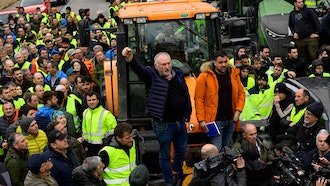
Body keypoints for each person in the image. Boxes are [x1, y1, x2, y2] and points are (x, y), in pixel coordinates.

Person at [122, 47, 191, 185]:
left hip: (180, 122)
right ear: (156, 66)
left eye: (168, 63)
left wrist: (188, 113)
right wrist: (130, 58)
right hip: (164, 124)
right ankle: (169, 181)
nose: (167, 67)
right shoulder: (152, 76)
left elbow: (186, 94)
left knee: (181, 151)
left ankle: (179, 177)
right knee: (164, 154)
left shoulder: (178, 74)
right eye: (163, 64)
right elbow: (140, 70)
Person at [195, 51, 245, 151]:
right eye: (220, 62)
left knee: (227, 149)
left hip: (231, 120)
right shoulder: (204, 77)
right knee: (216, 149)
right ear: (214, 63)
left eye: (225, 62)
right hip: (214, 121)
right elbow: (199, 99)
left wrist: (238, 111)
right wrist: (201, 120)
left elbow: (241, 94)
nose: (223, 65)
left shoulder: (234, 74)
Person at [82, 91, 117, 157]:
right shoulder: (85, 112)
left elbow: (114, 129)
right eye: (89, 100)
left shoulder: (106, 114)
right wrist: (85, 142)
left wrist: (104, 140)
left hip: (102, 146)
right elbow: (84, 129)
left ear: (98, 100)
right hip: (89, 146)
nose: (91, 102)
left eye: (93, 100)